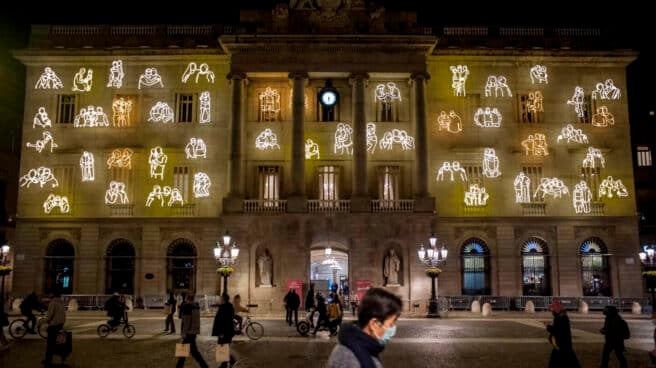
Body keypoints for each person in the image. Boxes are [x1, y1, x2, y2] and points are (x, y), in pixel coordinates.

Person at [327, 288, 402, 368]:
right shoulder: (350, 361)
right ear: (374, 324)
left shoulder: (359, 348)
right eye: (391, 324)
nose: (393, 330)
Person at [176, 294, 208, 368]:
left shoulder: (188, 307)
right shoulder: (196, 307)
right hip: (193, 332)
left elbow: (187, 321)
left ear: (188, 299)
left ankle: (204, 366)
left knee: (184, 351)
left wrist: (184, 332)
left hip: (188, 333)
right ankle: (204, 366)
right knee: (193, 352)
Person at [545, 300, 580, 368]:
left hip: (561, 345)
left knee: (562, 361)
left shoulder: (560, 318)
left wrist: (548, 327)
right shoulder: (562, 317)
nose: (552, 312)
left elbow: (557, 331)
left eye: (552, 310)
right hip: (563, 345)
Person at [212, 294, 236, 368]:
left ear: (224, 299)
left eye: (221, 298)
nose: (220, 299)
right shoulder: (228, 307)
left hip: (224, 332)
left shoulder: (224, 308)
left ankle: (226, 364)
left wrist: (221, 332)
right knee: (224, 347)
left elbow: (224, 321)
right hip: (228, 332)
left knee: (223, 347)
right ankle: (227, 363)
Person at [43, 290, 66, 367]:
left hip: (53, 325)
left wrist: (42, 321)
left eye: (50, 293)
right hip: (60, 324)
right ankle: (62, 358)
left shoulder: (52, 303)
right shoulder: (61, 303)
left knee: (50, 343)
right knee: (59, 342)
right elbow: (64, 314)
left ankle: (48, 359)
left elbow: (49, 316)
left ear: (52, 295)